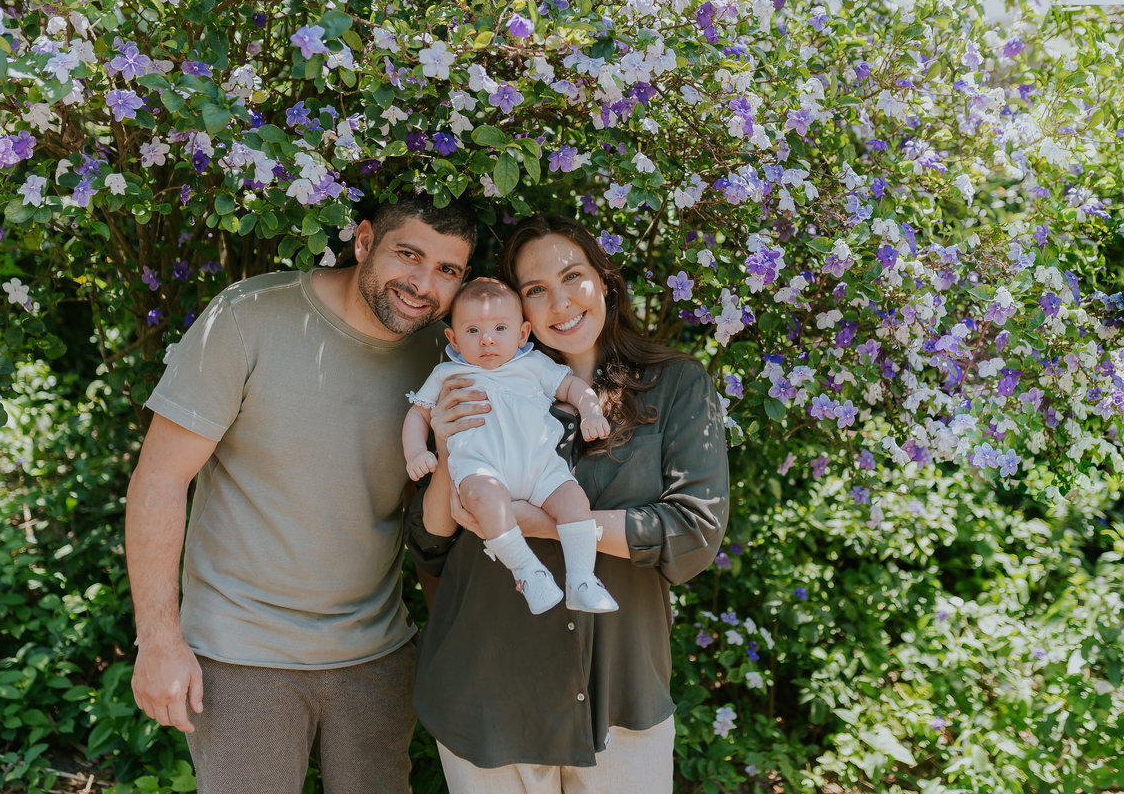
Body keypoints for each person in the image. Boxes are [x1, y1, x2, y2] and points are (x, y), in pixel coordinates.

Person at [125, 194, 476, 794]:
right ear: (363, 241)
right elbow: (160, 480)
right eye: (408, 255)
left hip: (378, 654)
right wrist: (158, 641)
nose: (423, 284)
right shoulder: (248, 318)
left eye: (448, 270)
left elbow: (439, 517)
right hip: (242, 655)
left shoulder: (445, 354)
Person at [407, 213, 729, 793]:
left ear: (604, 281)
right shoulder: (472, 384)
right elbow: (430, 545)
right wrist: (445, 455)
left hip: (621, 697)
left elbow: (692, 532)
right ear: (517, 313)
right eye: (535, 290)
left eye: (573, 276)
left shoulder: (677, 385)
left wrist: (540, 524)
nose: (559, 302)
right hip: (487, 691)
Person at [403, 278, 617, 616]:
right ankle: (526, 571)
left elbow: (573, 386)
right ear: (454, 339)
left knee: (574, 500)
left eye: (500, 327)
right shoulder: (448, 374)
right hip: (481, 470)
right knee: (487, 500)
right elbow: (418, 414)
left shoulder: (534, 366)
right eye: (472, 331)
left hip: (541, 470)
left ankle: (582, 580)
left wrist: (591, 411)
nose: (487, 339)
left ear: (521, 333)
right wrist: (416, 451)